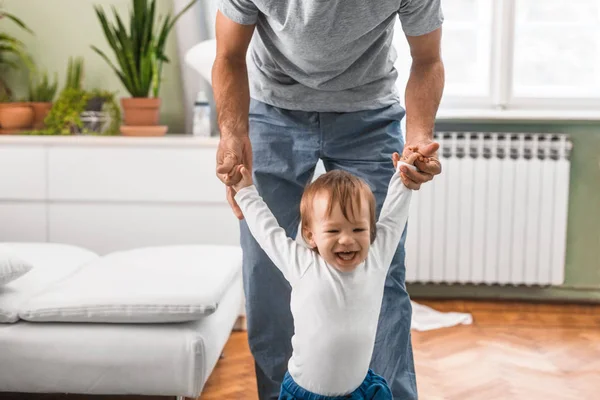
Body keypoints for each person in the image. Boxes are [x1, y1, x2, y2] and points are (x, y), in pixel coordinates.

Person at [212, 1, 445, 398]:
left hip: (369, 114)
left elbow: (427, 60)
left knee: (380, 272)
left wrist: (418, 137)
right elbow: (229, 55)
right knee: (266, 274)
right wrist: (233, 134)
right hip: (273, 112)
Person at [229, 149, 421, 399]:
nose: (347, 239)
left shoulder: (376, 259)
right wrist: (244, 191)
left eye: (358, 229)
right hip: (304, 394)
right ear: (310, 235)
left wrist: (404, 174)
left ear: (371, 231)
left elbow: (394, 217)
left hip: (359, 391)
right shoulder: (301, 263)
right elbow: (268, 231)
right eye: (333, 231)